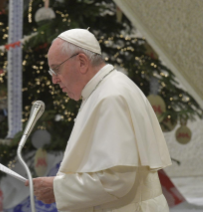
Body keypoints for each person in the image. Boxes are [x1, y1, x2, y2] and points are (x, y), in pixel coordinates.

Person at [25, 28, 172, 212]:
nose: (54, 80)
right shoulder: (105, 89)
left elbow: (116, 180)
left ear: (81, 62)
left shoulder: (110, 97)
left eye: (56, 69)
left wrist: (58, 188)